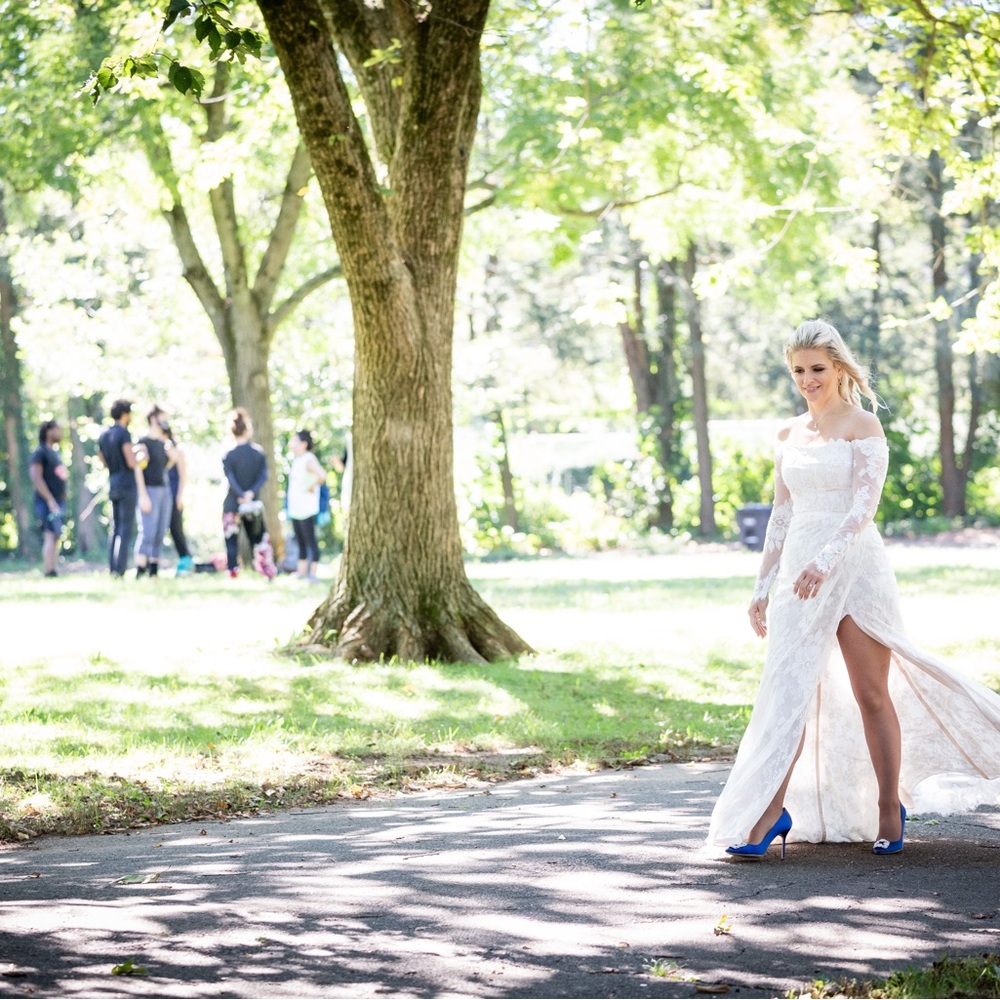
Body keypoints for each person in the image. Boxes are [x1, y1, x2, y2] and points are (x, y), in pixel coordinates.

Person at [708, 319, 1000, 858]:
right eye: (798, 371)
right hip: (801, 573)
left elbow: (863, 508)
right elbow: (782, 512)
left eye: (816, 369)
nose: (807, 380)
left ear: (839, 367)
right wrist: (761, 585)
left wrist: (826, 559)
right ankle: (771, 811)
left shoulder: (863, 426)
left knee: (870, 694)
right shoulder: (788, 434)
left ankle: (890, 806)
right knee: (786, 693)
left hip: (855, 567)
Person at [98, 399, 150, 577]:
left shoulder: (104, 435)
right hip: (127, 484)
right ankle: (120, 569)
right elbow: (130, 461)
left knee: (115, 528)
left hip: (113, 482)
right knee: (125, 528)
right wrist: (141, 457)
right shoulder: (123, 434)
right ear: (125, 414)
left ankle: (113, 567)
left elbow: (103, 460)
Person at [222, 407, 276, 580]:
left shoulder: (229, 455)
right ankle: (267, 570)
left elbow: (230, 478)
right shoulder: (258, 453)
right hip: (253, 504)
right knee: (259, 538)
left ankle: (232, 572)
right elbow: (263, 477)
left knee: (231, 539)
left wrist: (241, 494)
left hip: (232, 503)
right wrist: (250, 494)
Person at [134, 406, 176, 579]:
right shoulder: (143, 443)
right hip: (149, 490)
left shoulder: (162, 444)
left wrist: (171, 455)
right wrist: (143, 495)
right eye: (162, 419)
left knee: (159, 532)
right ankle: (140, 570)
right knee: (148, 532)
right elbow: (138, 469)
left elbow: (165, 467)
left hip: (164, 490)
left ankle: (154, 570)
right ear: (153, 419)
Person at [286, 429, 329, 582]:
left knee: (311, 541)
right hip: (296, 509)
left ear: (304, 444)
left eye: (295, 442)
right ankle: (301, 572)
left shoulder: (309, 459)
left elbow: (322, 475)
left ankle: (313, 573)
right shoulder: (297, 460)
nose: (292, 445)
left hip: (307, 509)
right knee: (300, 541)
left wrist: (313, 486)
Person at [156, 409, 194, 575]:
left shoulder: (177, 451)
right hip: (161, 495)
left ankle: (186, 561)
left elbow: (182, 475)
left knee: (176, 529)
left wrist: (179, 496)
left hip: (173, 495)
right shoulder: (158, 450)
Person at [29, 419, 69, 578]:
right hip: (46, 501)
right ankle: (48, 570)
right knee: (50, 533)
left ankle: (53, 568)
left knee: (56, 534)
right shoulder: (39, 452)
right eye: (57, 429)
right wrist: (50, 499)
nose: (60, 432)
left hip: (58, 500)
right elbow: (36, 477)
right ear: (48, 431)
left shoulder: (55, 452)